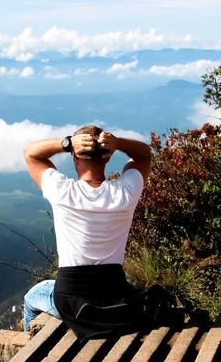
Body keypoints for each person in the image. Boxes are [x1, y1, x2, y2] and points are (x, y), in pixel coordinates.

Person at [21, 125, 152, 342]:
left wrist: (67, 143)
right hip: (115, 298)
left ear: (75, 159)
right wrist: (117, 143)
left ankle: (29, 345)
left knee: (33, 295)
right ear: (107, 158)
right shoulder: (125, 193)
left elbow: (30, 153)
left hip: (72, 302)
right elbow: (144, 155)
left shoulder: (62, 191)